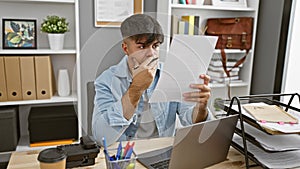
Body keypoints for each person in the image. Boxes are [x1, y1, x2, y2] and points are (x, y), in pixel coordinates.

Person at [92, 14, 212, 146]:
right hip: (125, 155)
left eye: (155, 46)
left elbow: (190, 121)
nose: (151, 54)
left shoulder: (171, 74)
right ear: (126, 48)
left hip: (162, 152)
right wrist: (136, 89)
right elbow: (101, 137)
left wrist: (201, 108)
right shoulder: (106, 81)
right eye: (142, 46)